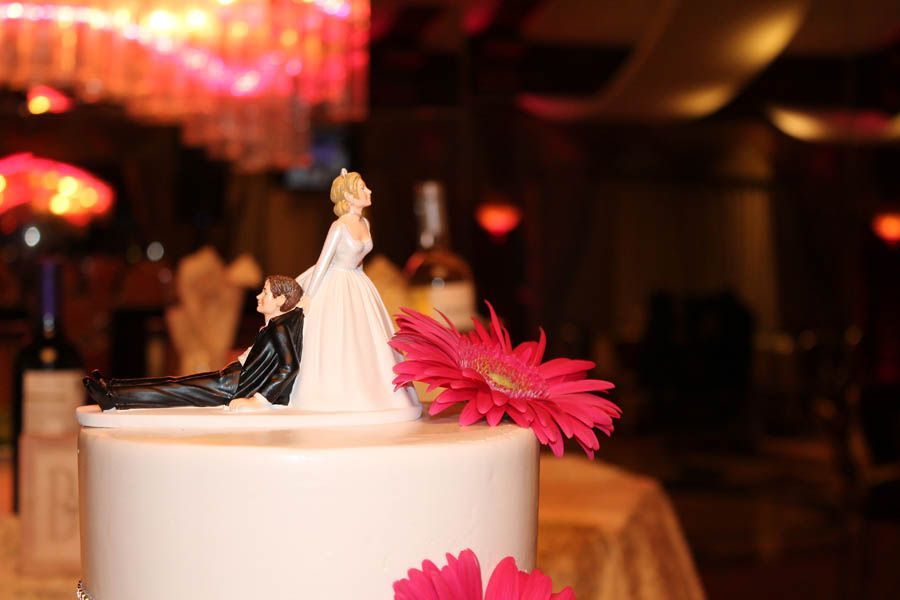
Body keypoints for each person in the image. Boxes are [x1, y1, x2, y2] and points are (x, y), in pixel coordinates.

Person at [292, 169, 420, 412]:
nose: (368, 191)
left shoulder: (365, 223)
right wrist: (308, 297)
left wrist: (363, 285)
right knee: (339, 336)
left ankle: (375, 394)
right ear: (349, 196)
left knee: (369, 338)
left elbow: (359, 260)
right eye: (362, 188)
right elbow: (323, 261)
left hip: (358, 281)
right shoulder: (339, 227)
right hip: (337, 282)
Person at [84, 275, 304, 411]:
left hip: (234, 384)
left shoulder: (280, 328)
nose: (258, 296)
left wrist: (260, 400)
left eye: (264, 292)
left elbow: (289, 366)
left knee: (177, 389)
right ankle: (111, 389)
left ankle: (113, 396)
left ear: (280, 301)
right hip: (232, 376)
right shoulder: (274, 325)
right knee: (176, 385)